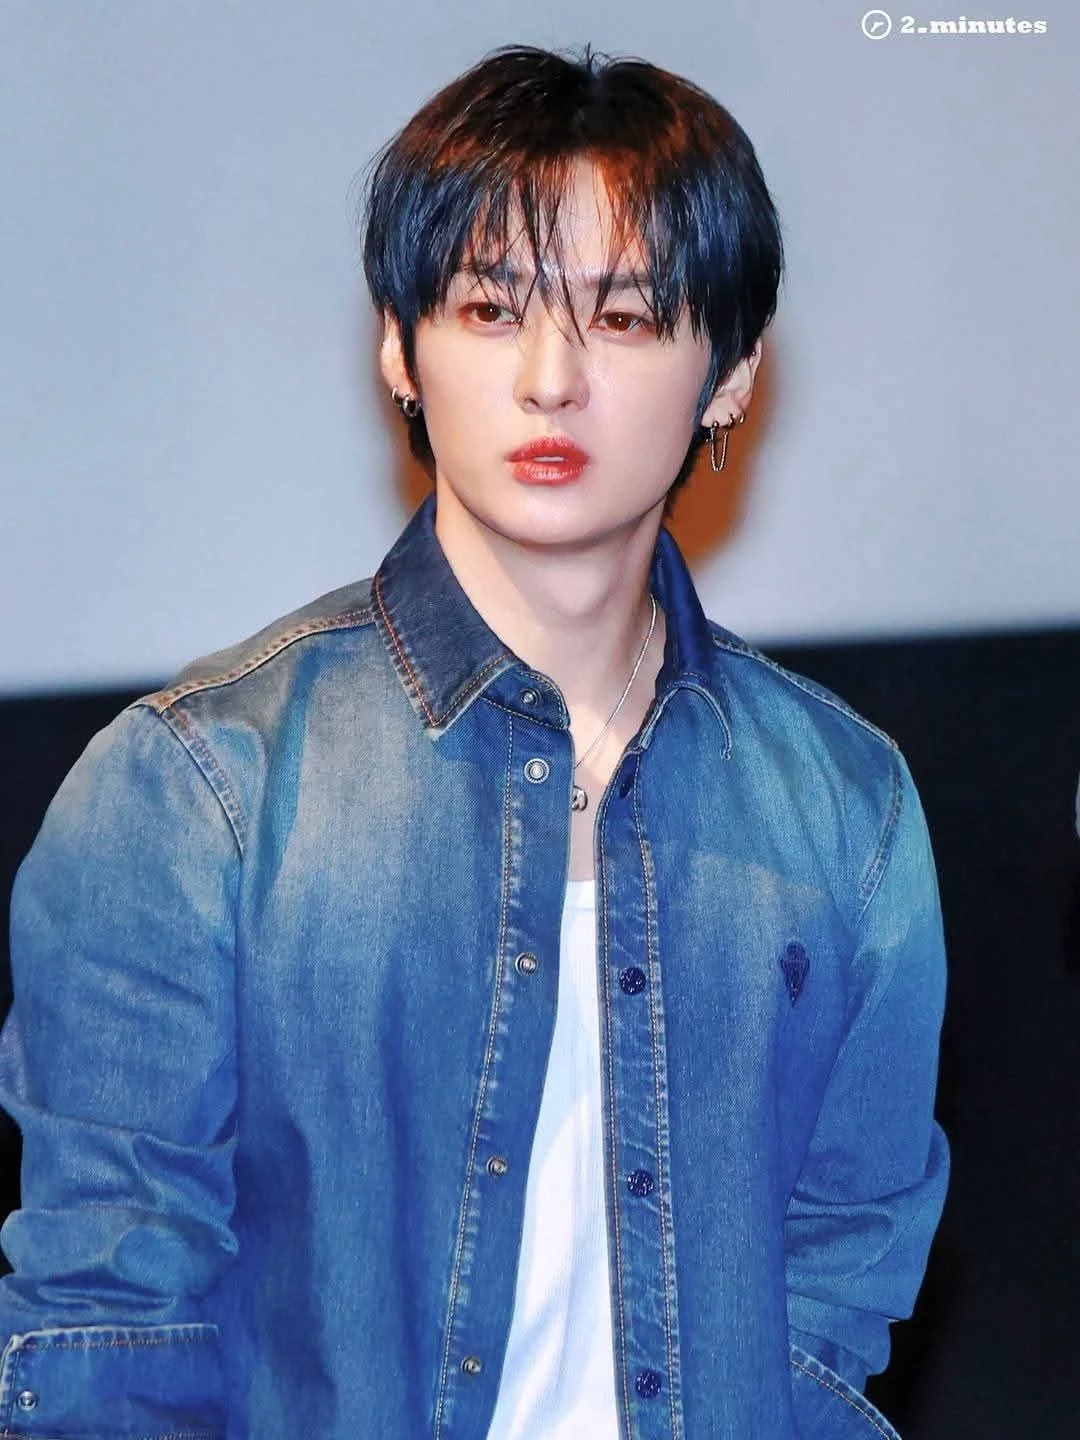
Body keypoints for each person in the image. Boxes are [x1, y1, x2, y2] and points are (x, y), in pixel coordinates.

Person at [0, 44, 948, 1440]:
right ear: (400, 345)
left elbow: (839, 1284)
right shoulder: (196, 792)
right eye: (491, 309)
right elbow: (111, 1339)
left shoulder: (847, 810)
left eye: (624, 317)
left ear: (733, 372)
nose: (551, 379)